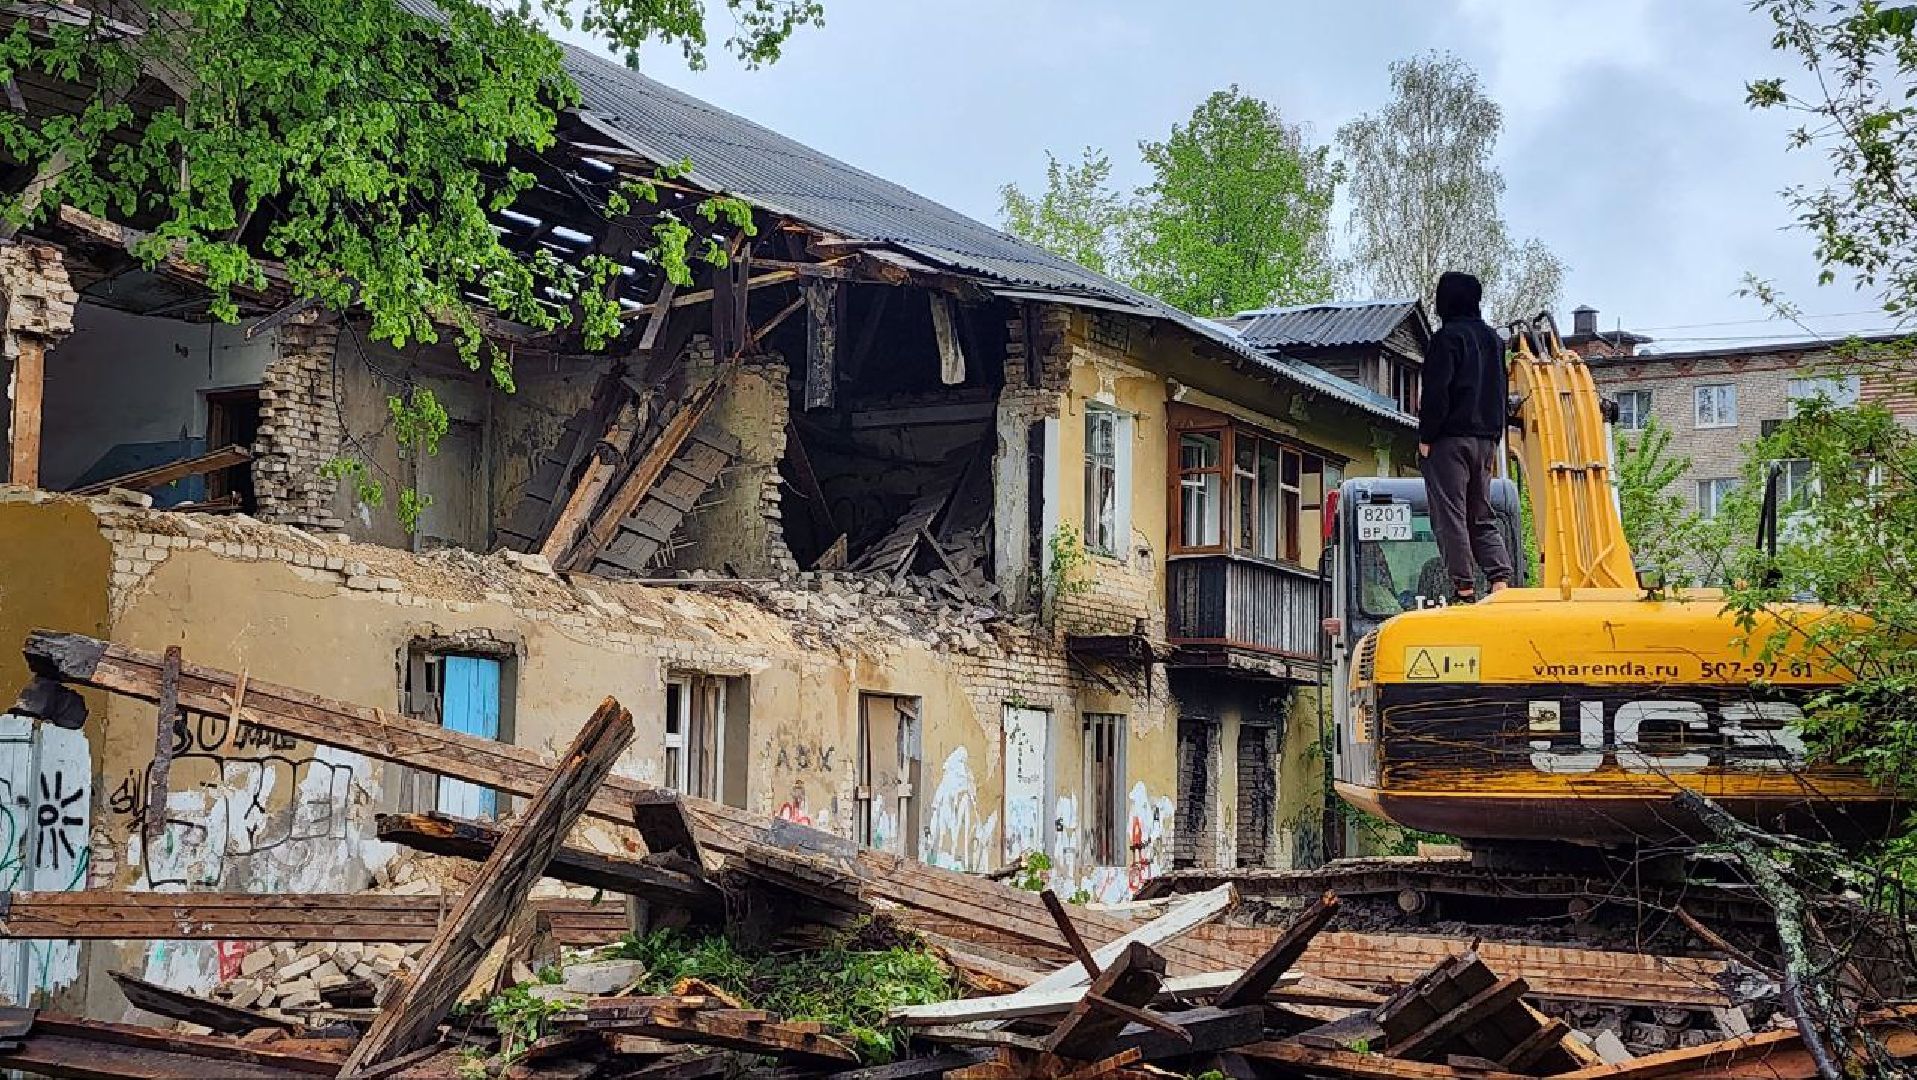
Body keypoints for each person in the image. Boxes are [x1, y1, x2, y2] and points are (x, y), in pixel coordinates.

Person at [1418, 271, 1513, 604]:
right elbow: (1501, 390)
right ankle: (1500, 580)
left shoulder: (1446, 340)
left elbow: (1436, 394)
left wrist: (1427, 437)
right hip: (1486, 439)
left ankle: (1464, 588)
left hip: (1450, 439)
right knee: (1481, 512)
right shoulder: (1494, 341)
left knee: (1450, 513)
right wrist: (1496, 434)